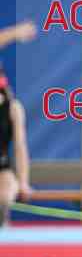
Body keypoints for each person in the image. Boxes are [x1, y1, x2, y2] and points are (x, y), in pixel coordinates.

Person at [0, 65, 32, 226]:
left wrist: (23, 181)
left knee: (5, 194)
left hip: (3, 169)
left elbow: (20, 147)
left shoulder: (13, 108)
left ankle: (3, 222)